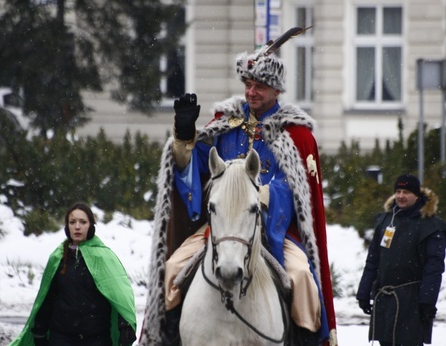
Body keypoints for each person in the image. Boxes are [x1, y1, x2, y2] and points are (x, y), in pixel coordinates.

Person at [140, 29, 337, 346]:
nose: (251, 92)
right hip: (220, 227)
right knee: (173, 268)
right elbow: (194, 170)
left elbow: (297, 189)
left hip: (273, 229)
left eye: (259, 86)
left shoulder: (295, 134)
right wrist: (184, 135)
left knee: (302, 280)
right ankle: (166, 338)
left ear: (276, 89)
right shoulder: (225, 123)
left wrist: (259, 194)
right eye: (248, 84)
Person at [10, 202, 137, 346]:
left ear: (91, 227)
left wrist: (126, 327)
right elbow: (47, 298)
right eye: (72, 222)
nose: (77, 227)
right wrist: (39, 332)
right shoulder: (58, 258)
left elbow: (119, 295)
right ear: (67, 227)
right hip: (61, 338)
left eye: (83, 222)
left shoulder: (104, 258)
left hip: (96, 339)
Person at [356, 174, 446, 346]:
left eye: (406, 192)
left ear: (417, 195)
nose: (400, 196)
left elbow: (434, 268)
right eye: (398, 191)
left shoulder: (431, 226)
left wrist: (427, 302)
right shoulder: (386, 220)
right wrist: (364, 292)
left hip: (413, 301)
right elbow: (373, 260)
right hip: (385, 298)